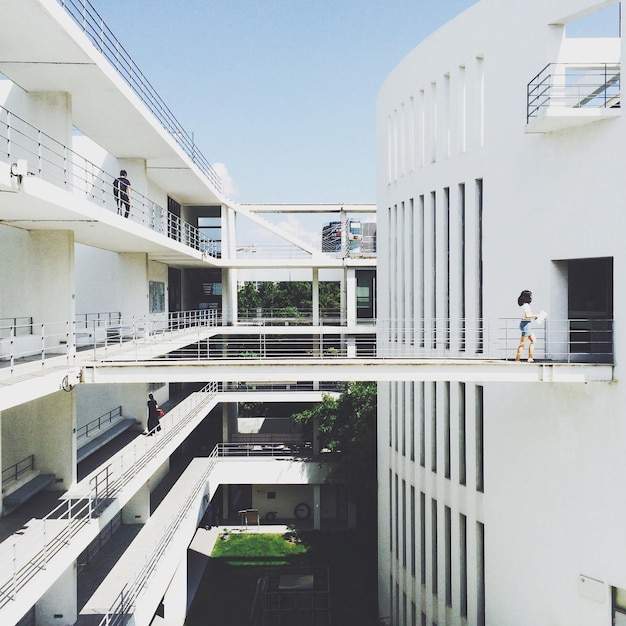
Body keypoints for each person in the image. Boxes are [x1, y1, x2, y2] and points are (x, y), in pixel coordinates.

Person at [516, 290, 538, 362]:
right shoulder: (526, 306)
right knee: (522, 344)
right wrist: (536, 315)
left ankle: (530, 357)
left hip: (526, 324)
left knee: (533, 340)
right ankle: (517, 359)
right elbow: (527, 315)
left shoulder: (523, 305)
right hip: (526, 324)